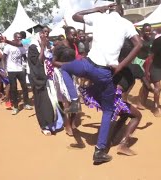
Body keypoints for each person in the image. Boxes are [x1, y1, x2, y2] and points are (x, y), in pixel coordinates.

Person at [59, 2, 142, 163]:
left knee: (65, 69)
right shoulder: (126, 24)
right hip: (104, 72)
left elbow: (75, 16)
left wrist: (96, 9)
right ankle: (99, 151)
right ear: (122, 12)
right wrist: (120, 66)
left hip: (87, 65)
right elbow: (139, 44)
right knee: (108, 111)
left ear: (108, 10)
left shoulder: (98, 17)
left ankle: (75, 101)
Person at [2, 32, 33, 115]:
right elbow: (3, 58)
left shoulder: (21, 46)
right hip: (11, 70)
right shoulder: (8, 46)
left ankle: (26, 103)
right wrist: (4, 69)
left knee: (25, 87)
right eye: (18, 37)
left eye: (20, 38)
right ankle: (16, 107)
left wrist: (26, 64)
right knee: (13, 88)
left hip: (20, 70)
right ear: (14, 37)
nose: (20, 39)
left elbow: (24, 57)